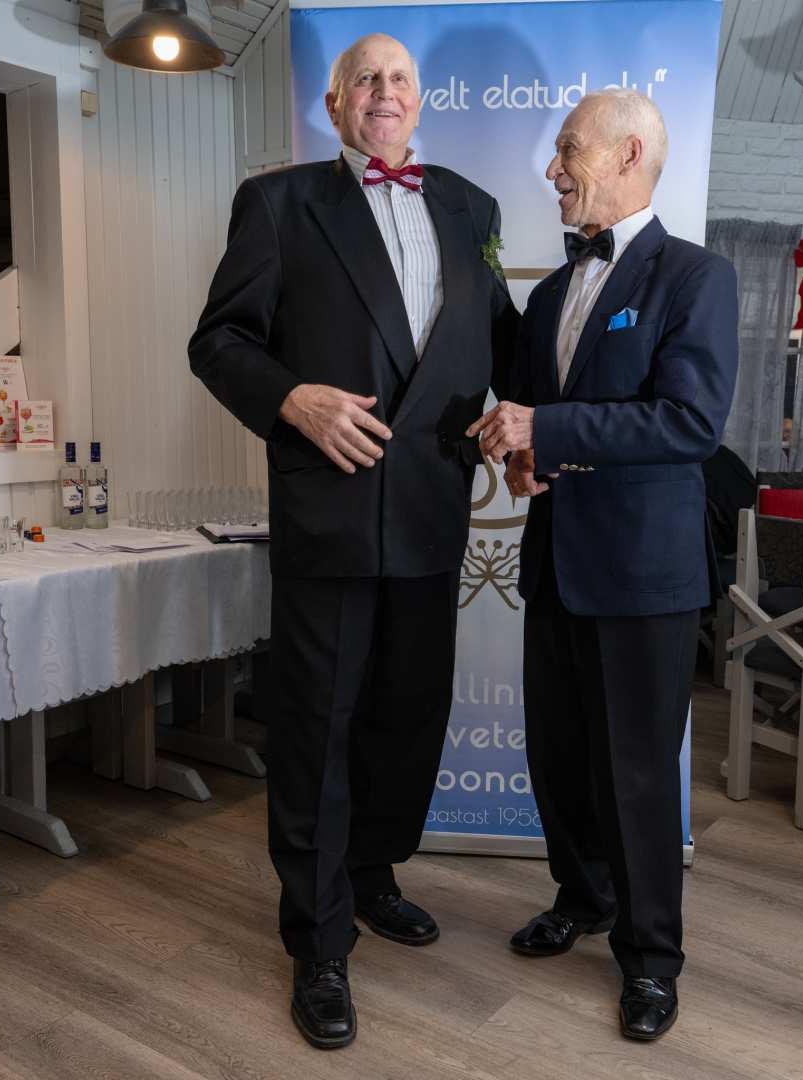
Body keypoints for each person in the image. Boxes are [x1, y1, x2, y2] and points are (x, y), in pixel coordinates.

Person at [188, 33, 517, 1049]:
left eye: (399, 78)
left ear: (421, 101)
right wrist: (292, 397)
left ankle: (371, 875)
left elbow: (498, 335)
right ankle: (319, 942)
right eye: (364, 78)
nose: (383, 91)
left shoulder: (471, 207)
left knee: (407, 719)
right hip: (329, 511)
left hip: (432, 509)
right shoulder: (277, 205)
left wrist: (544, 425)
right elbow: (218, 341)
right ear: (334, 105)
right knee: (317, 731)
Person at [467, 88, 738, 1042]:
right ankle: (582, 897)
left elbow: (689, 423)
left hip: (644, 577)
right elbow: (533, 423)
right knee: (560, 758)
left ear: (628, 154)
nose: (553, 169)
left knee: (636, 776)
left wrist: (546, 428)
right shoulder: (548, 295)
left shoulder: (696, 276)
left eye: (569, 149)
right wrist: (522, 456)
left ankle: (651, 960)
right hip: (556, 565)